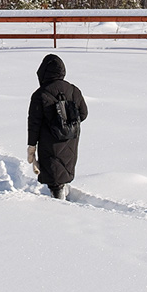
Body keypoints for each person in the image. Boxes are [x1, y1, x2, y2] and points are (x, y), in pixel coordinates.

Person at [26, 53, 88, 199]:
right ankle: (61, 196)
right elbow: (84, 113)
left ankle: (59, 205)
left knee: (54, 176)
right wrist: (68, 124)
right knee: (63, 170)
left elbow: (34, 123)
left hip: (49, 141)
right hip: (71, 139)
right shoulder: (74, 90)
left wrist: (31, 146)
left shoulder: (40, 94)